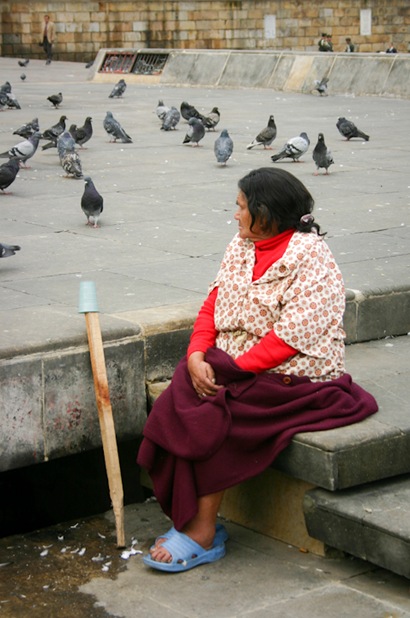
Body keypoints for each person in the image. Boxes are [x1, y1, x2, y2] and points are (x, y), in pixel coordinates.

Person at [137, 167, 378, 573]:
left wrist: (232, 371)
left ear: (265, 213)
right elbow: (213, 303)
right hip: (232, 362)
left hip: (292, 374)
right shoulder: (241, 245)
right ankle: (189, 518)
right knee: (182, 395)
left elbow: (289, 337)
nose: (235, 215)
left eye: (242, 207)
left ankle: (202, 533)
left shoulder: (312, 257)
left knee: (217, 415)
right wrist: (197, 354)